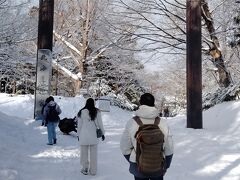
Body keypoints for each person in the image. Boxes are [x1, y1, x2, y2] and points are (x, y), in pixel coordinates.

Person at [120, 93, 174, 180]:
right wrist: (166, 165)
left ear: (140, 103)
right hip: (158, 164)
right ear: (153, 103)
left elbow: (124, 147)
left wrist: (134, 160)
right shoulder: (162, 123)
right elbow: (169, 148)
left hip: (138, 167)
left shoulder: (132, 123)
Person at [77, 98, 105, 176]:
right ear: (93, 103)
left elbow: (79, 125)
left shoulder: (81, 112)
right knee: (94, 154)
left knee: (84, 154)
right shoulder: (97, 112)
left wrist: (78, 135)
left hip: (83, 135)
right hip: (93, 136)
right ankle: (93, 171)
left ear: (86, 103)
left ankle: (85, 169)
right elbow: (100, 124)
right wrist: (103, 133)